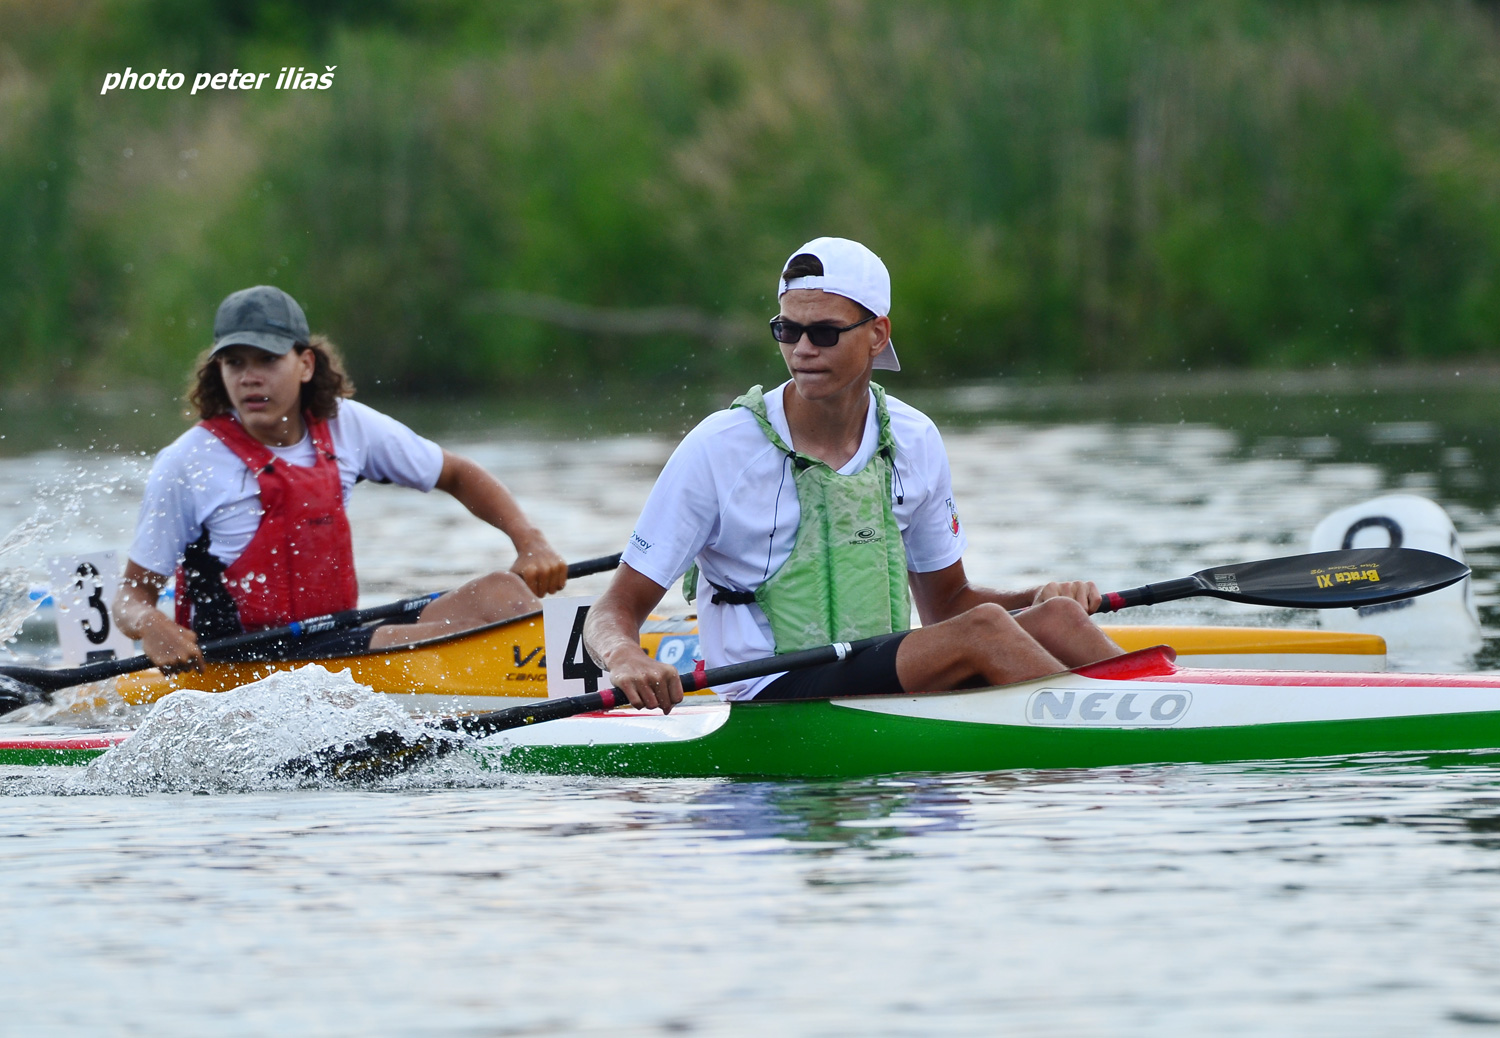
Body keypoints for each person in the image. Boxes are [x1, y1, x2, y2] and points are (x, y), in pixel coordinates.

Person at [583, 237, 1122, 711]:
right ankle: (1123, 746)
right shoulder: (718, 448)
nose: (801, 349)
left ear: (878, 334)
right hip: (773, 690)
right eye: (787, 329)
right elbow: (613, 609)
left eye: (824, 332)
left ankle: (1171, 709)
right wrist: (627, 656)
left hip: (873, 667)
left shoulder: (914, 438)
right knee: (984, 634)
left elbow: (947, 606)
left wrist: (1043, 595)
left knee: (1057, 619)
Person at [114, 285, 568, 670]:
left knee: (503, 595)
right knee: (420, 640)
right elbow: (131, 596)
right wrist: (150, 624)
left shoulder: (347, 426)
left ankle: (552, 693)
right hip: (243, 663)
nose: (250, 378)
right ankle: (533, 690)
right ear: (219, 370)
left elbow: (456, 473)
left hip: (338, 642)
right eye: (234, 363)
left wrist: (530, 542)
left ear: (305, 364)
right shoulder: (187, 462)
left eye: (267, 359)